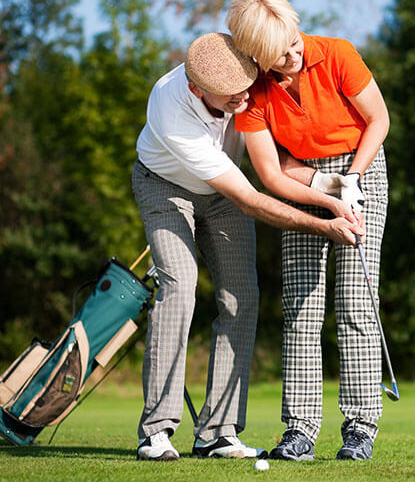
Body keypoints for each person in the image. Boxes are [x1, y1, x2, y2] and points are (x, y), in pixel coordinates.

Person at [132, 32, 363, 461]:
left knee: (242, 298)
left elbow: (277, 161)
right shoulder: (171, 107)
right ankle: (157, 431)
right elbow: (251, 198)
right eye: (230, 95)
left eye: (245, 86)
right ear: (196, 88)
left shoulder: (247, 79)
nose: (243, 97)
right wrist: (323, 226)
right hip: (164, 188)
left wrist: (333, 188)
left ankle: (217, 433)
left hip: (222, 194)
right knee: (180, 288)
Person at [226, 0, 391, 462]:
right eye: (280, 54)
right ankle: (300, 429)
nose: (294, 55)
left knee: (357, 300)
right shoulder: (253, 93)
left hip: (362, 165)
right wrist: (328, 192)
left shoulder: (338, 54)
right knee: (301, 303)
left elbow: (378, 121)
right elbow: (271, 174)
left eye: (295, 42)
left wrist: (352, 181)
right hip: (301, 177)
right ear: (258, 56)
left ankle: (360, 427)